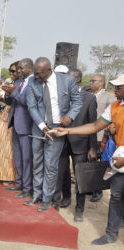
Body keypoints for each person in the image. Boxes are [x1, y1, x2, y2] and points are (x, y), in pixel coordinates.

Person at [54, 74, 124, 245]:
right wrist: (68, 131)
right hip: (120, 157)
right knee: (116, 195)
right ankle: (111, 233)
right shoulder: (115, 106)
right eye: (115, 86)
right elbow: (94, 126)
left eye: (119, 87)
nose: (115, 90)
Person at [24, 57, 82, 212]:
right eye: (35, 73)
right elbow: (31, 107)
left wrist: (70, 116)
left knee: (51, 165)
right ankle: (36, 194)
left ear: (49, 70)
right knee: (37, 162)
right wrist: (42, 126)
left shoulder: (67, 81)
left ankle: (46, 198)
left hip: (57, 129)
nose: (36, 77)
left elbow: (77, 102)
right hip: (39, 127)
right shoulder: (32, 82)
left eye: (40, 74)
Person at [53, 69, 97, 218]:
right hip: (61, 141)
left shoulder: (89, 98)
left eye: (68, 78)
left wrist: (92, 147)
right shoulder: (61, 95)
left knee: (80, 178)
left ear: (77, 80)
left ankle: (79, 210)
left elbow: (93, 124)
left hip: (81, 145)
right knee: (58, 175)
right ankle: (55, 205)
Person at [2, 58, 34, 198]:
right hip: (15, 123)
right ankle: (19, 182)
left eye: (21, 69)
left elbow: (26, 102)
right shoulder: (19, 82)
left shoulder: (34, 83)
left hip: (27, 126)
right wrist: (7, 93)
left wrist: (13, 92)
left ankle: (27, 188)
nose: (18, 71)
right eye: (17, 69)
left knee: (26, 159)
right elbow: (13, 101)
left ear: (29, 68)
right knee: (18, 157)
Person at [89, 74, 116, 202]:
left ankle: (97, 191)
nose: (90, 83)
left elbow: (114, 116)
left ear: (101, 83)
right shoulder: (88, 95)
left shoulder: (110, 97)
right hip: (88, 134)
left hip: (101, 137)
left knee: (100, 165)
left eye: (92, 81)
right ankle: (90, 187)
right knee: (90, 163)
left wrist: (110, 126)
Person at [0, 61, 19, 185]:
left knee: (11, 148)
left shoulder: (22, 84)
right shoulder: (7, 82)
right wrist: (0, 97)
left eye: (13, 71)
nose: (11, 73)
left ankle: (10, 176)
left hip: (17, 118)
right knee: (1, 146)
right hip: (4, 117)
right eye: (10, 71)